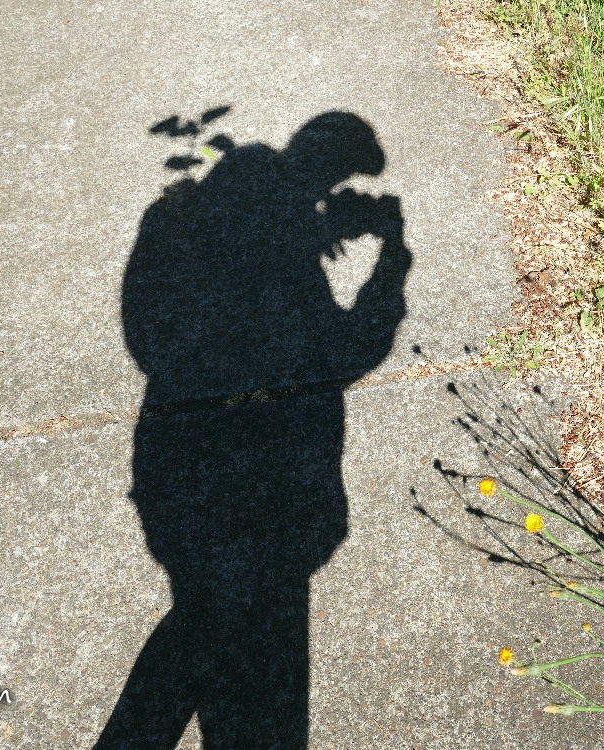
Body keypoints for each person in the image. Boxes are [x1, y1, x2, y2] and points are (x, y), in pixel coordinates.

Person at [95, 111, 412, 749]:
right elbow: (349, 352)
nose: (329, 191)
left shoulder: (179, 220)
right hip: (257, 476)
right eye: (333, 177)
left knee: (205, 620)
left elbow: (146, 330)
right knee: (232, 631)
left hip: (176, 458)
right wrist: (392, 257)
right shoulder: (270, 252)